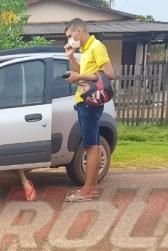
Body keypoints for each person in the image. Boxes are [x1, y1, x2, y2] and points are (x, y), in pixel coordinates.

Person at [63, 18, 116, 202]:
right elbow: (81, 77)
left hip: (90, 103)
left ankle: (88, 190)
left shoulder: (96, 47)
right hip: (83, 101)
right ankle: (89, 189)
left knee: (91, 146)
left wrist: (81, 75)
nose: (69, 40)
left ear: (79, 31)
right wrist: (71, 57)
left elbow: (109, 74)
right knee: (90, 145)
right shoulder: (85, 51)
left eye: (70, 36)